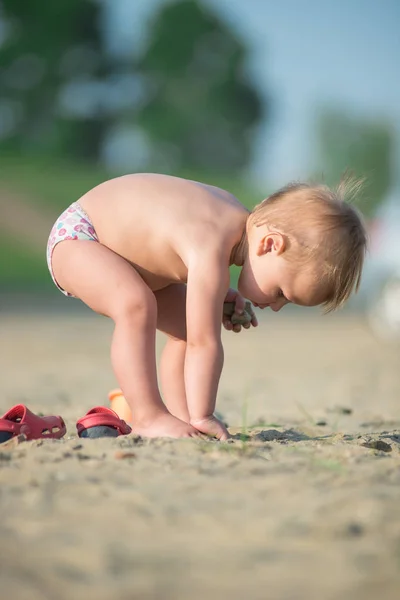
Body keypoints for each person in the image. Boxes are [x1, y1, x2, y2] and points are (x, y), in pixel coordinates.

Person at [46, 174, 367, 440]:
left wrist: (217, 296)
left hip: (126, 259)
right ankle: (148, 416)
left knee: (184, 328)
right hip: (81, 237)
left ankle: (180, 415)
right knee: (136, 305)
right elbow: (205, 343)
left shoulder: (229, 222)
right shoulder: (210, 243)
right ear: (271, 244)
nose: (278, 306)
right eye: (283, 292)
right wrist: (206, 414)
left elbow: (182, 279)